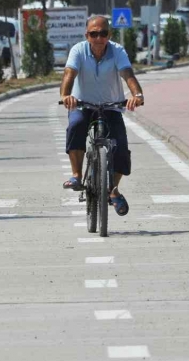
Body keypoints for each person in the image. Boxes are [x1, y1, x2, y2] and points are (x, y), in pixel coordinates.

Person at [60, 16, 145, 217]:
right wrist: (66, 95)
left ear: (109, 35)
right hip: (83, 104)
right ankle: (76, 175)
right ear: (87, 35)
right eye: (93, 34)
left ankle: (112, 190)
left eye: (103, 34)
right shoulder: (78, 50)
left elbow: (128, 74)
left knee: (121, 147)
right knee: (76, 126)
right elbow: (69, 74)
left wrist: (137, 95)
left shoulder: (118, 51)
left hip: (111, 106)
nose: (98, 38)